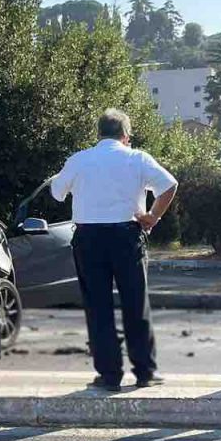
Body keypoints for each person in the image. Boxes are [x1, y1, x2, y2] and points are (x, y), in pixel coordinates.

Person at [51, 108, 178, 391]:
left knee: (98, 307)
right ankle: (145, 371)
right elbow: (169, 185)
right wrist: (153, 216)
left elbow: (57, 192)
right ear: (125, 136)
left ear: (98, 134)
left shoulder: (79, 159)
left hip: (88, 238)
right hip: (126, 235)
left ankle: (109, 376)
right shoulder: (137, 158)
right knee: (135, 303)